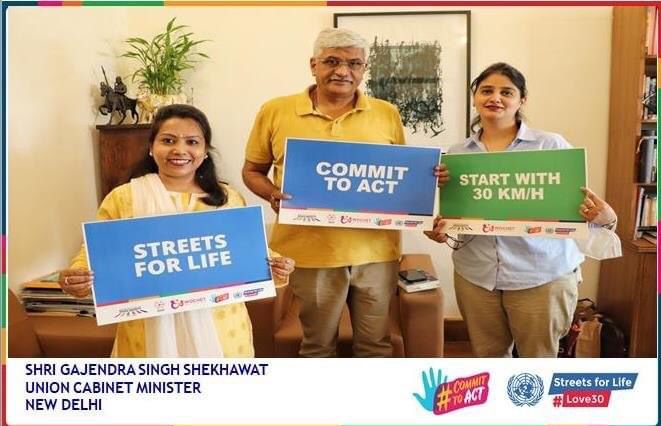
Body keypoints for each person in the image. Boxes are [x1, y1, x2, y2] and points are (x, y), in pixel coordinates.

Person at [59, 104, 295, 358]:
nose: (180, 150)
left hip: (221, 330)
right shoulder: (124, 198)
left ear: (205, 151)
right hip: (147, 330)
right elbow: (95, 254)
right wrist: (77, 277)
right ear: (151, 147)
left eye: (192, 142)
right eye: (168, 140)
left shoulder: (228, 199)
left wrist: (277, 266)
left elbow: (249, 251)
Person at [425, 62, 620, 358]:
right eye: (486, 90)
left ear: (522, 100)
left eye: (507, 92)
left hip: (541, 276)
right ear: (475, 97)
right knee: (489, 358)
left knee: (537, 359)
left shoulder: (550, 146)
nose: (495, 98)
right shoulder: (456, 153)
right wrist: (442, 230)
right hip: (476, 276)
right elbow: (461, 217)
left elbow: (579, 210)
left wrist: (605, 217)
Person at [242, 28, 405, 357]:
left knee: (376, 346)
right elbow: (252, 171)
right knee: (317, 347)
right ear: (313, 65)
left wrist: (429, 178)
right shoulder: (275, 110)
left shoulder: (387, 113)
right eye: (332, 61)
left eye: (354, 64)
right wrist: (272, 193)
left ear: (364, 69)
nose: (343, 71)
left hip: (376, 251)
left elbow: (399, 176)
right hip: (309, 252)